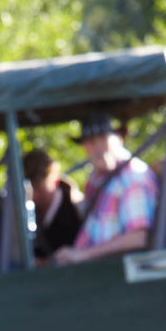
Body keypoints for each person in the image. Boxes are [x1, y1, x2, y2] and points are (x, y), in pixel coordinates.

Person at [53, 112, 158, 266]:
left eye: (103, 138)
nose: (98, 148)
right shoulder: (97, 180)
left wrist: (83, 255)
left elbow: (138, 238)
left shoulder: (132, 178)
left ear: (119, 138)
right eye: (90, 142)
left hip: (114, 274)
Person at [22, 149, 82, 259]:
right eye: (29, 190)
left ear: (53, 179)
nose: (34, 195)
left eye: (38, 188)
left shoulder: (77, 210)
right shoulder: (26, 211)